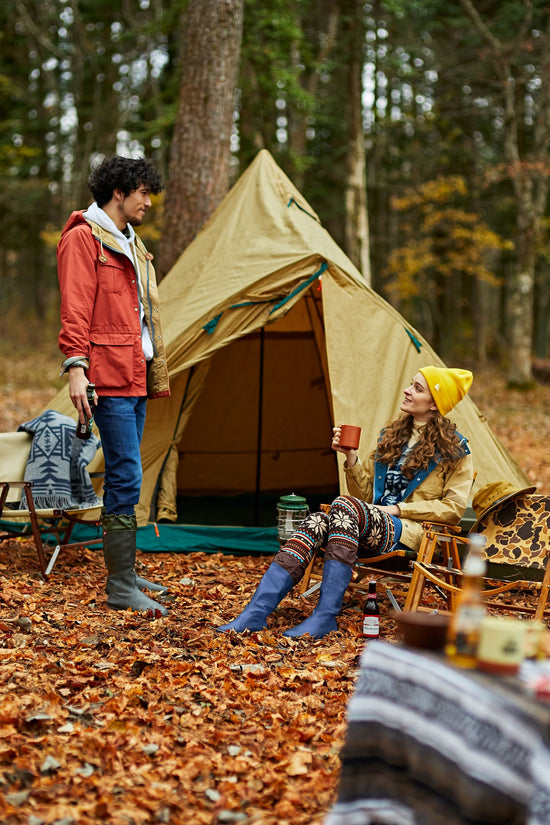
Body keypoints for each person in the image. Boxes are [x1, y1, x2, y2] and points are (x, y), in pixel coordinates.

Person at [218, 366, 474, 639]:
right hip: (368, 527)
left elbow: (453, 509)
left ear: (435, 404)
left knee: (343, 505)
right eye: (411, 385)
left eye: (417, 388)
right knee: (317, 520)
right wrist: (350, 457)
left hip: (412, 534)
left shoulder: (455, 451)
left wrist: (397, 509)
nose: (407, 391)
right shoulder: (393, 436)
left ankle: (325, 615)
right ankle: (255, 613)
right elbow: (365, 499)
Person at [57, 156, 170, 617]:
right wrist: (76, 368)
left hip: (135, 370)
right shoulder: (84, 238)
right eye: (142, 192)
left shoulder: (130, 242)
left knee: (129, 473)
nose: (148, 201)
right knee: (126, 473)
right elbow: (76, 307)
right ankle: (120, 586)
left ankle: (126, 572)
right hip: (106, 372)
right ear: (118, 192)